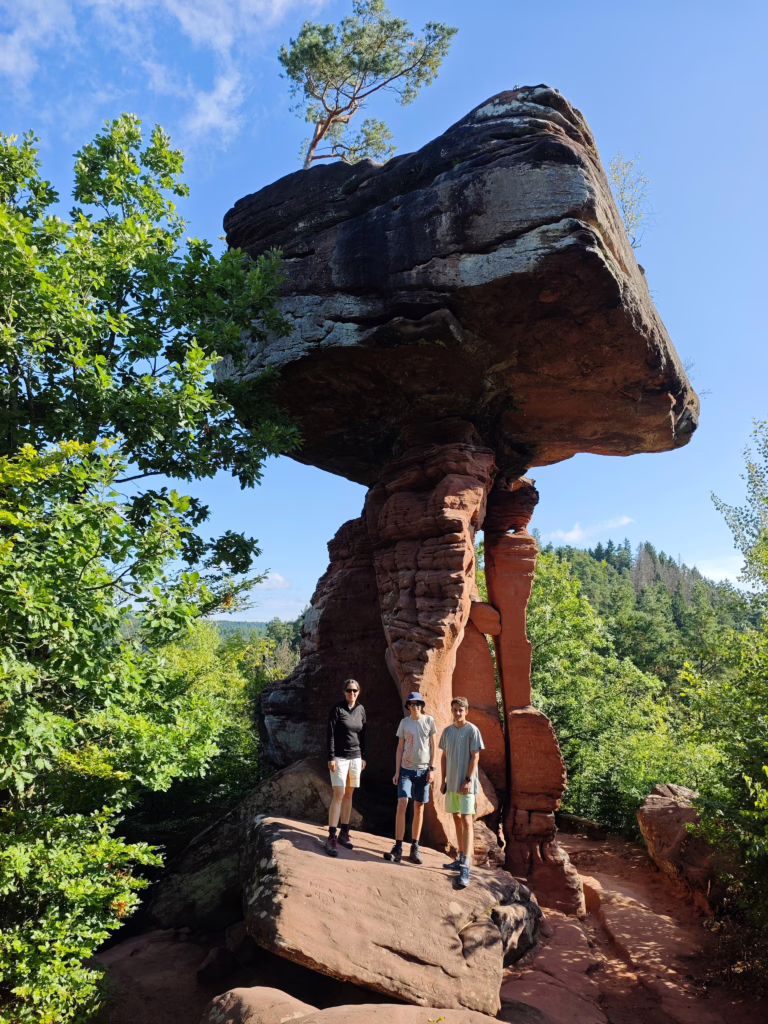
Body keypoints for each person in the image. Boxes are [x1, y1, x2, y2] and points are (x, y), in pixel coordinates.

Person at [383, 692, 438, 865]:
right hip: (406, 770)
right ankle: (398, 847)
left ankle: (415, 846)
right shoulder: (404, 723)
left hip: (423, 771)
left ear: (422, 705)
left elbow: (433, 746)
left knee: (419, 807)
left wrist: (432, 768)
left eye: (417, 704)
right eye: (411, 704)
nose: (414, 707)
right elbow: (400, 748)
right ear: (408, 706)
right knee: (402, 803)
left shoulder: (429, 721)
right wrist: (397, 771)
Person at [439, 696, 484, 889]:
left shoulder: (472, 730)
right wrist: (443, 780)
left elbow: (476, 757)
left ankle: (466, 863)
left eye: (461, 710)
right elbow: (444, 756)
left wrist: (468, 780)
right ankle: (459, 857)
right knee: (456, 818)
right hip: (452, 783)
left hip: (466, 785)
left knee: (467, 820)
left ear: (466, 711)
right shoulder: (447, 732)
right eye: (455, 709)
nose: (457, 713)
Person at [326, 679, 366, 856]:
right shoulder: (337, 709)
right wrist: (331, 757)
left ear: (359, 692)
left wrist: (364, 756)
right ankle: (332, 835)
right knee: (339, 794)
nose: (352, 694)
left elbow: (364, 734)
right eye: (349, 691)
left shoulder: (361, 709)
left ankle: (344, 832)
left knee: (349, 794)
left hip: (355, 757)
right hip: (340, 758)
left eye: (355, 691)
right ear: (344, 692)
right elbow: (331, 734)